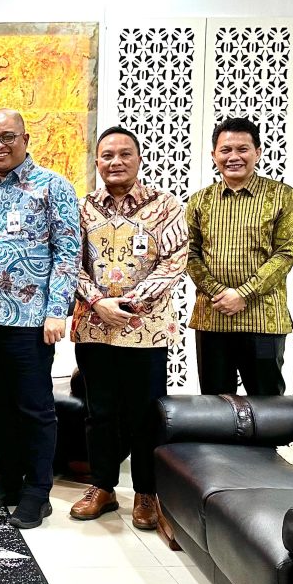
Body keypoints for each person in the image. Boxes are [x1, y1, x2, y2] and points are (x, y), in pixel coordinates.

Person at [0, 108, 81, 529]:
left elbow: (68, 252)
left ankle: (37, 492)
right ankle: (7, 482)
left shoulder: (53, 186)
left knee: (34, 408)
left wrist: (57, 310)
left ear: (25, 139)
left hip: (30, 321)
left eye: (8, 136)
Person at [68, 126, 188, 530]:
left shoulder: (165, 205)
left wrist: (130, 303)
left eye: (124, 154)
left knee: (145, 414)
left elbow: (174, 261)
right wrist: (98, 302)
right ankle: (102, 487)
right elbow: (70, 262)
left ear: (138, 159)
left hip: (146, 329)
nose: (115, 162)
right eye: (107, 156)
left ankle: (146, 492)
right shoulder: (83, 208)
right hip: (94, 326)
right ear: (97, 161)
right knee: (99, 412)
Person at [186, 117, 293, 395]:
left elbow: (285, 253)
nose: (233, 157)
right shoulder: (200, 200)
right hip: (213, 318)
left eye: (242, 149)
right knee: (216, 405)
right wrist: (219, 292)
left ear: (257, 153)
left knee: (267, 406)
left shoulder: (282, 196)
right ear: (213, 155)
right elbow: (189, 253)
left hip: (264, 319)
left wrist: (243, 294)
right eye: (225, 150)